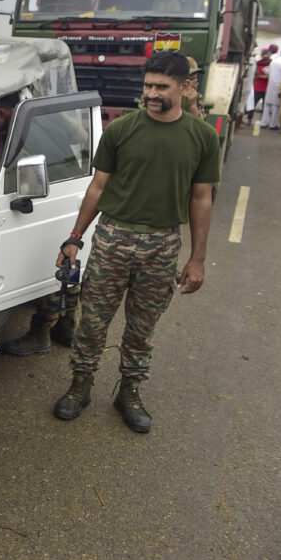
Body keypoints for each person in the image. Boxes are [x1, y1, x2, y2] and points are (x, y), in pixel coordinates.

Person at [53, 51, 220, 433]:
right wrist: (75, 238)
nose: (152, 93)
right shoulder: (122, 129)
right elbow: (98, 187)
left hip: (163, 245)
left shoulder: (202, 137)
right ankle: (80, 385)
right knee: (92, 322)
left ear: (184, 86)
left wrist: (197, 259)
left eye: (161, 86)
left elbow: (201, 199)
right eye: (148, 86)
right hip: (113, 237)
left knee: (142, 329)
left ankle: (129, 392)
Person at [0, 93, 81, 356]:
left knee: (47, 266)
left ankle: (41, 334)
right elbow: (82, 136)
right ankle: (67, 326)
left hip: (44, 196)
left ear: (1, 112)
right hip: (74, 186)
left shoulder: (12, 139)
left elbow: (9, 182)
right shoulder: (46, 111)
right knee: (70, 263)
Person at [262, 48, 281, 129]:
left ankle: (264, 123)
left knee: (267, 104)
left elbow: (268, 71)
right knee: (277, 106)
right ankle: (273, 124)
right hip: (280, 86)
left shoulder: (274, 61)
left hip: (271, 85)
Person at [251, 46, 274, 124]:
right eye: (265, 54)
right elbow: (256, 74)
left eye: (268, 54)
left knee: (266, 106)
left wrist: (263, 76)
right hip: (257, 86)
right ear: (262, 55)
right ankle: (249, 119)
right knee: (253, 103)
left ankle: (263, 121)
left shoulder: (272, 64)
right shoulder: (258, 63)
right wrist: (265, 77)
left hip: (267, 88)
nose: (266, 56)